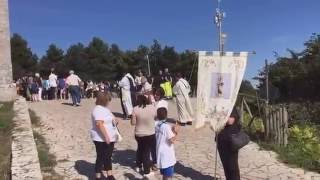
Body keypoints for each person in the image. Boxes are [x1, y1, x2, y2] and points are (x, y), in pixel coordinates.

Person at [90, 92, 118, 180]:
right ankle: (98, 176)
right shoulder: (98, 109)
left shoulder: (105, 109)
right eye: (108, 100)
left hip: (110, 137)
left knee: (108, 156)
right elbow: (99, 124)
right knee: (101, 157)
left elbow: (112, 118)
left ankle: (109, 174)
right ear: (104, 100)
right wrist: (106, 136)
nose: (109, 102)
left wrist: (115, 121)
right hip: (100, 139)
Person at [131, 95, 157, 178]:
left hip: (139, 134)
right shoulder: (152, 107)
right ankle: (146, 171)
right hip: (150, 133)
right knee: (146, 152)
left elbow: (133, 123)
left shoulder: (135, 109)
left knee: (140, 149)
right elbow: (156, 117)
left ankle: (138, 165)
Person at [217, 108, 241, 180]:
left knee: (232, 165)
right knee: (225, 164)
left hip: (231, 140)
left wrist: (218, 118)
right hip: (221, 138)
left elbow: (231, 121)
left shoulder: (231, 106)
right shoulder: (220, 106)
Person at [155, 108, 177, 180]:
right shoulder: (166, 127)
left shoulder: (156, 124)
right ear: (166, 115)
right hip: (167, 155)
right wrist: (176, 132)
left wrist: (172, 130)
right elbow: (172, 140)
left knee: (165, 175)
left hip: (160, 152)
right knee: (167, 175)